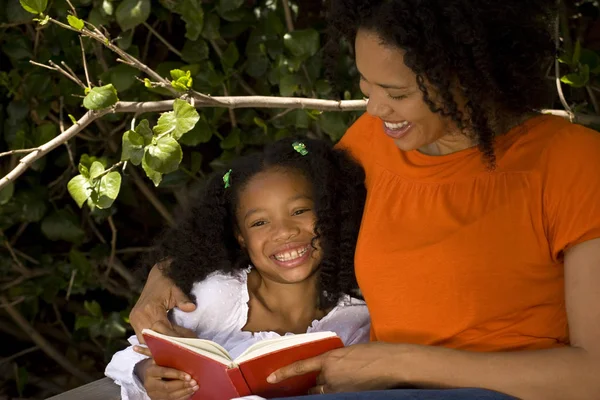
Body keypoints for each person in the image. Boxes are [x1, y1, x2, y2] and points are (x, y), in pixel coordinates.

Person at [128, 0, 600, 399]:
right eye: (365, 86)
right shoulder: (375, 143)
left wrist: (398, 363)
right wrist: (168, 274)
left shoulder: (571, 162)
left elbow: (592, 374)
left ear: (472, 77)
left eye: (396, 92)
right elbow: (278, 226)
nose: (375, 109)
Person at [105, 137, 370, 400]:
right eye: (259, 223)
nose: (284, 232)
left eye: (299, 211)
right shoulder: (215, 296)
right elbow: (130, 357)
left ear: (328, 213)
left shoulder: (353, 322)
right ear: (240, 237)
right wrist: (148, 374)